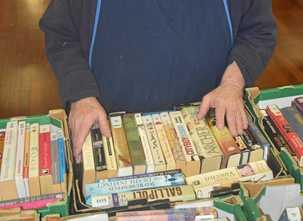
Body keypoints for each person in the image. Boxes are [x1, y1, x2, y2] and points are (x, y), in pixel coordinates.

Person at [40, 0, 276, 159]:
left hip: (207, 128)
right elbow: (61, 35)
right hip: (112, 128)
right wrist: (81, 96)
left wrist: (232, 84)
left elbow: (258, 31)